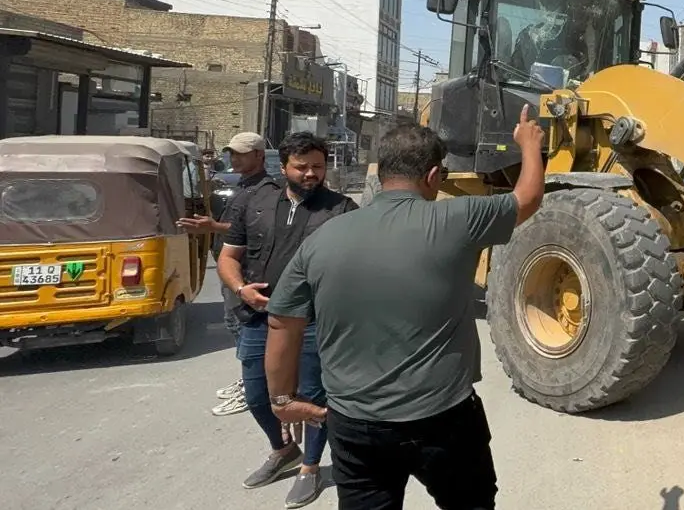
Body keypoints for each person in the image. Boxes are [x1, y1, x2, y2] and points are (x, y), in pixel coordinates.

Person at [264, 107, 545, 510]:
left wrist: (281, 399)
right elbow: (528, 197)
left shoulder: (324, 239)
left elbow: (281, 321)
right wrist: (530, 144)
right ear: (433, 177)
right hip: (444, 419)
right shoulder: (457, 219)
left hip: (355, 424)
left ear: (380, 174)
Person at [219, 131, 357, 509]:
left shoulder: (341, 209)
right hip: (259, 316)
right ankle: (283, 450)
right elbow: (229, 258)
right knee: (258, 394)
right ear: (284, 167)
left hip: (313, 320)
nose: (311, 173)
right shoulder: (254, 202)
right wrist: (241, 289)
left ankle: (310, 467)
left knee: (310, 394)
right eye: (302, 167)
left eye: (318, 166)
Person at [178, 132, 270, 417]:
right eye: (232, 153)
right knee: (234, 325)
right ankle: (248, 378)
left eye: (242, 153)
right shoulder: (244, 185)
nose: (235, 158)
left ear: (259, 156)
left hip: (244, 270)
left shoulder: (264, 190)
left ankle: (255, 385)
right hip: (230, 269)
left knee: (244, 329)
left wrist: (213, 227)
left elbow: (254, 229)